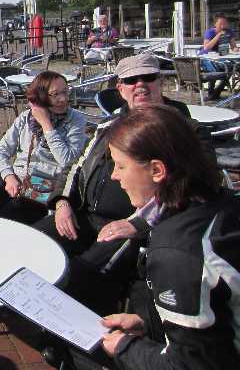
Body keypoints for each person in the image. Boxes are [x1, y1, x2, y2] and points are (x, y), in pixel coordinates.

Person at [33, 52, 191, 314]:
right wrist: (62, 202)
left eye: (148, 77)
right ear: (120, 88)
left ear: (159, 82)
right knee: (34, 243)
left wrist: (136, 223)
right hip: (84, 212)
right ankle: (32, 313)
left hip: (135, 225)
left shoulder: (182, 129)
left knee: (82, 274)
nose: (140, 84)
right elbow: (77, 165)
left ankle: (71, 339)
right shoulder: (109, 125)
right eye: (131, 80)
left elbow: (189, 186)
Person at [96, 105, 239, 369]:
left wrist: (126, 348)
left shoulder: (179, 251)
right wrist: (147, 321)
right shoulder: (221, 204)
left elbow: (190, 365)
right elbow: (218, 311)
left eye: (120, 166)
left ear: (157, 170)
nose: (114, 176)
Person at [0, 71, 88, 224]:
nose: (63, 99)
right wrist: (8, 176)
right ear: (40, 97)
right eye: (55, 94)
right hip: (15, 179)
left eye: (65, 92)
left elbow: (67, 160)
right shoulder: (26, 118)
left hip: (45, 187)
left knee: (5, 222)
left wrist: (46, 125)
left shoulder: (76, 120)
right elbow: (0, 151)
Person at [198, 14, 237, 100]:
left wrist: (236, 49)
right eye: (221, 24)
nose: (223, 26)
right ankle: (212, 93)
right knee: (219, 68)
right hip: (206, 58)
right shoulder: (210, 32)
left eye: (225, 23)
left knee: (232, 67)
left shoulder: (229, 32)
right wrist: (218, 35)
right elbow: (206, 47)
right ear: (215, 24)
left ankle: (215, 92)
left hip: (221, 58)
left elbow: (233, 47)